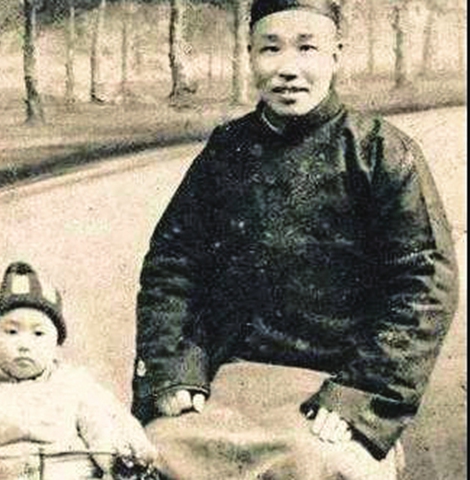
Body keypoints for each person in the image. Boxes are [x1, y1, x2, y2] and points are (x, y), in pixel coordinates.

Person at [130, 1, 458, 479]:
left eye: (307, 48)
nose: (288, 69)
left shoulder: (382, 152)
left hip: (331, 387)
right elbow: (172, 266)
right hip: (224, 380)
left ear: (336, 55)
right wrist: (174, 373)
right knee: (149, 454)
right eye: (270, 49)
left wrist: (359, 395)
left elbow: (425, 286)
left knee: (326, 465)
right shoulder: (226, 151)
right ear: (250, 55)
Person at [0, 262, 156, 479]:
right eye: (11, 331)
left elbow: (105, 420)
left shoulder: (74, 383)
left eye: (38, 333)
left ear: (56, 342)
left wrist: (125, 453)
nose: (24, 344)